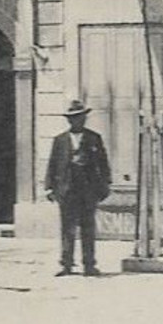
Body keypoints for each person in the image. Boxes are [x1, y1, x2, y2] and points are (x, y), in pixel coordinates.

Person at [44, 99, 113, 277]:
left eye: (80, 117)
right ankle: (66, 264)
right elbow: (52, 165)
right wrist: (49, 187)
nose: (77, 121)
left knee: (88, 228)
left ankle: (89, 265)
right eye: (73, 118)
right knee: (67, 229)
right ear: (68, 120)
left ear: (84, 118)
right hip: (66, 191)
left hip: (88, 191)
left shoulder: (93, 138)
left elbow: (103, 164)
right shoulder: (60, 140)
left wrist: (105, 185)